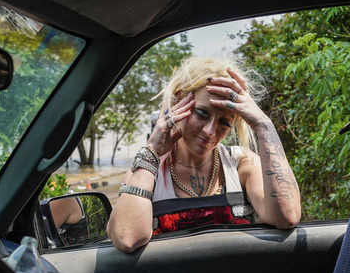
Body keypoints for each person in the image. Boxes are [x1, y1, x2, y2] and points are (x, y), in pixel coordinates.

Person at [106, 56, 301, 253]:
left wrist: (264, 125)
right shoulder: (148, 168)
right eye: (201, 114)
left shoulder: (241, 163)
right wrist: (152, 151)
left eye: (224, 122)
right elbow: (127, 238)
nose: (210, 131)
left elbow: (287, 216)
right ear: (179, 101)